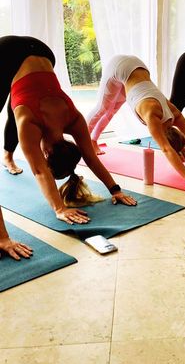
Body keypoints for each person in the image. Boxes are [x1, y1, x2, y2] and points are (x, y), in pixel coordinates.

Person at [0, 35, 137, 226]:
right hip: (4, 52)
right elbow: (40, 171)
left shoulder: (73, 118)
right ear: (47, 153)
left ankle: (8, 156)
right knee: (17, 107)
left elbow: (90, 157)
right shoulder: (30, 122)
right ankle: (8, 156)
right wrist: (59, 208)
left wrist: (116, 190)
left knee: (16, 104)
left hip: (43, 50)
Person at [87, 55, 185, 187]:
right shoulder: (153, 116)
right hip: (119, 67)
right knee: (102, 108)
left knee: (111, 110)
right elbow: (166, 149)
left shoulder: (175, 114)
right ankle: (85, 143)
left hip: (138, 68)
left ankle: (93, 140)